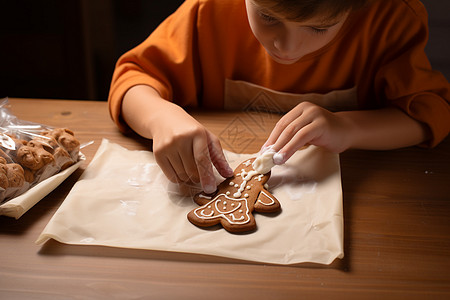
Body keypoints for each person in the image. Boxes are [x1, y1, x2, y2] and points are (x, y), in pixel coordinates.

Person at [108, 0, 450, 194]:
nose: (286, 47)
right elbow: (132, 80)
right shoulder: (209, 11)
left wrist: (348, 128)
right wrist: (161, 118)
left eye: (318, 28)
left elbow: (430, 112)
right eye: (268, 17)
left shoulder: (390, 18)